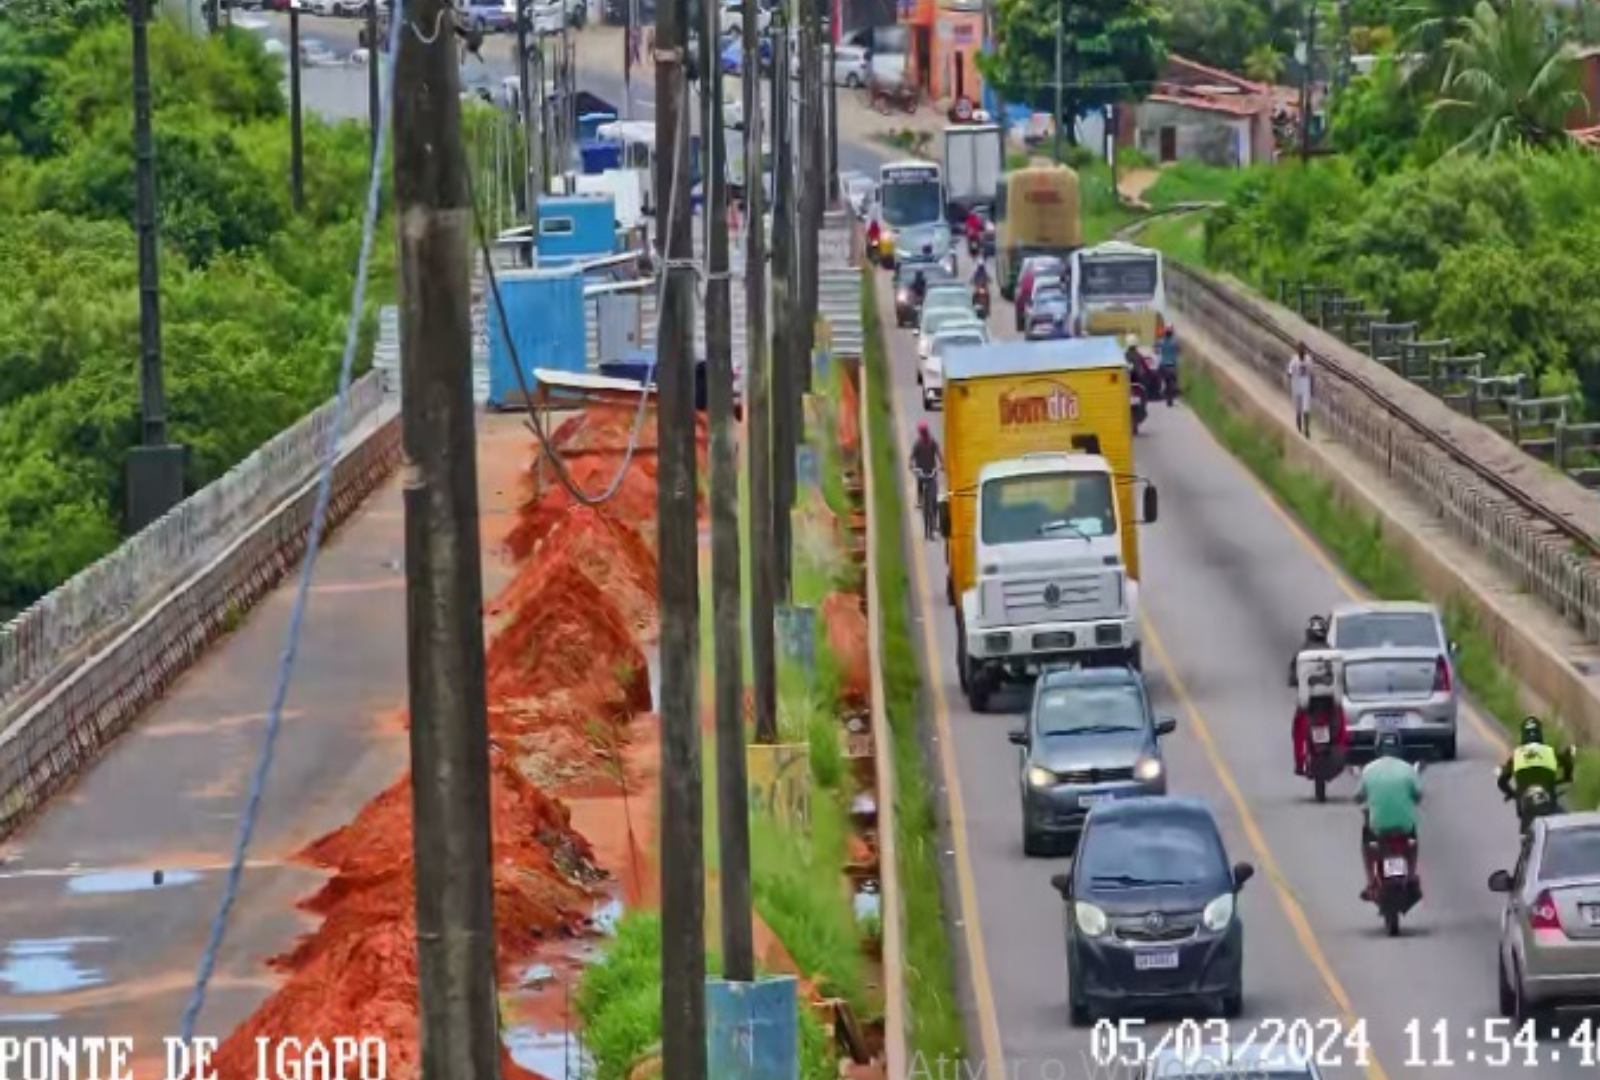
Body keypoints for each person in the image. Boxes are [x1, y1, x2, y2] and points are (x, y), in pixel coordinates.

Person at [1357, 730, 1423, 902]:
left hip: (1378, 828)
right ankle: (1410, 875)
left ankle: (1371, 881)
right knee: (1413, 843)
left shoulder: (1368, 769)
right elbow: (1419, 795)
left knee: (1367, 844)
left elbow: (1358, 795)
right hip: (1404, 827)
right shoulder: (1408, 769)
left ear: (1377, 748)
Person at [1496, 716, 1576, 806]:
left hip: (1526, 801)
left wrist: (1511, 793)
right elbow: (1566, 762)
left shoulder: (1517, 755)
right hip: (1547, 797)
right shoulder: (1549, 751)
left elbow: (1502, 780)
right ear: (1540, 733)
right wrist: (1567, 778)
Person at [910, 421, 944, 511]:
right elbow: (912, 456)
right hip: (921, 470)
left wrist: (942, 464)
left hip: (931, 469)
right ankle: (920, 500)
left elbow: (938, 453)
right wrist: (911, 464)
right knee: (920, 483)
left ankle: (933, 499)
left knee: (933, 485)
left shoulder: (932, 442)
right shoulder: (918, 444)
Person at [1287, 342, 1314, 437]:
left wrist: (1312, 388)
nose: (1302, 352)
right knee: (1298, 409)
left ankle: (1307, 429)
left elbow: (1311, 374)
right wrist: (1291, 377)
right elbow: (1289, 372)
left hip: (1305, 383)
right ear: (1297, 351)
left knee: (1306, 409)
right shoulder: (1294, 360)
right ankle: (1299, 424)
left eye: (1303, 350)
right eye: (1300, 350)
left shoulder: (1308, 360)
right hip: (1297, 383)